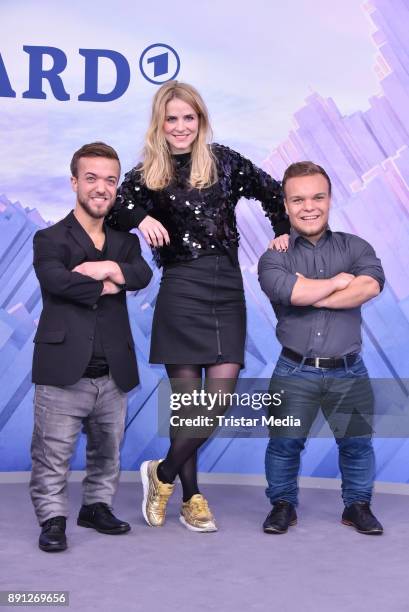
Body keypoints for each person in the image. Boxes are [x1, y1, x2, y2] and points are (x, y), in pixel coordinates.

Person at [106, 80, 290, 532]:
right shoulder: (148, 174)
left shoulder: (224, 161)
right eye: (172, 119)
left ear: (201, 121)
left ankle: (161, 473)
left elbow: (272, 191)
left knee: (218, 398)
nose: (181, 126)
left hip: (226, 287)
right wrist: (142, 216)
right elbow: (113, 208)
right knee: (189, 406)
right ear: (160, 124)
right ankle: (192, 499)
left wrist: (282, 228)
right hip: (181, 287)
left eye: (189, 117)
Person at [30, 142, 152, 552]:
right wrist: (111, 284)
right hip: (63, 370)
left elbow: (141, 275)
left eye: (110, 180)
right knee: (52, 455)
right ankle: (52, 519)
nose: (102, 187)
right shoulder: (49, 238)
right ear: (74, 183)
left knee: (107, 452)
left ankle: (96, 507)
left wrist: (106, 269)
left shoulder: (125, 242)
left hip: (113, 370)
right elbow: (56, 281)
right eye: (92, 178)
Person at [258, 161, 385, 535]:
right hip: (293, 372)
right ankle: (282, 506)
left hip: (350, 371)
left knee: (357, 445)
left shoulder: (356, 246)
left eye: (317, 197)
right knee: (284, 445)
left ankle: (357, 507)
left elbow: (370, 286)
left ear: (330, 199)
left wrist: (312, 293)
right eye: (298, 199)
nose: (308, 206)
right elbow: (288, 292)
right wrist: (337, 283)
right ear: (285, 205)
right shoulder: (274, 257)